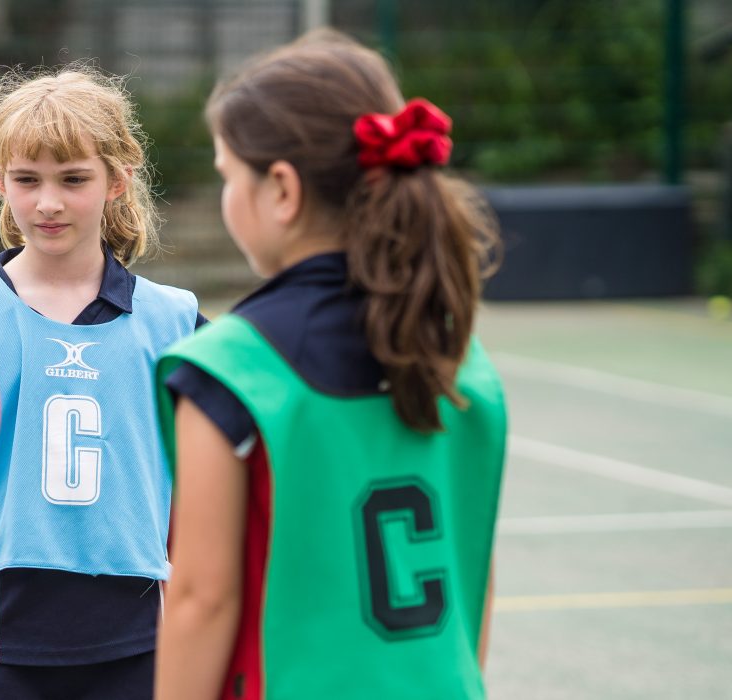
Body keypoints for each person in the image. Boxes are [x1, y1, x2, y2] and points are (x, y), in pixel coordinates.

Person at [152, 30, 507, 699]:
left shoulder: (230, 367)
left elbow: (202, 599)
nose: (227, 195)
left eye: (229, 175)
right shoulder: (456, 355)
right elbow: (474, 577)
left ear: (281, 189)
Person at [0, 66, 203, 700]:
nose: (48, 202)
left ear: (118, 180)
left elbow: (207, 494)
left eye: (73, 180)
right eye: (27, 179)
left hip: (143, 630)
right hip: (0, 628)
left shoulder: (174, 323)